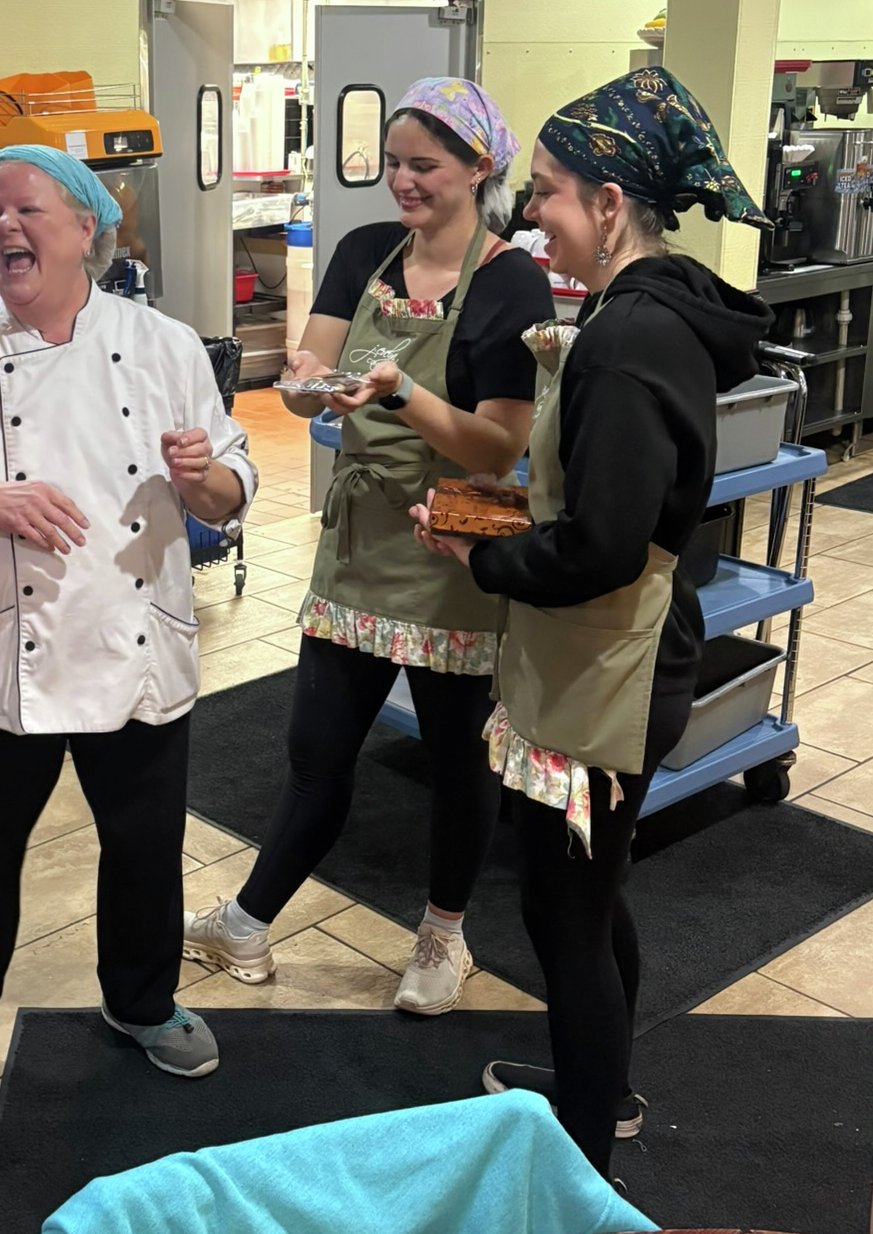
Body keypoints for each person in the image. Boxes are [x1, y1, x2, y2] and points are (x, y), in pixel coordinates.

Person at [411, 66, 773, 1178]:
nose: (533, 216)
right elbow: (614, 508)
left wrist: (484, 552)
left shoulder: (626, 339)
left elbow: (604, 546)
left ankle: (582, 1171)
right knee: (590, 892)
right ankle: (597, 1091)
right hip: (621, 649)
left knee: (565, 917)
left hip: (612, 671)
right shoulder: (640, 316)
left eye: (550, 192)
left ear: (611, 205)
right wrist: (512, 515)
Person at [0, 145, 256, 1130]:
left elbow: (231, 487)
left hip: (136, 643)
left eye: (25, 209)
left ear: (88, 227)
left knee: (145, 849)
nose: (2, 226)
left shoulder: (163, 344)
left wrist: (204, 477)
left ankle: (143, 1001)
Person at [185, 80, 550, 1013]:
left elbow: (498, 446)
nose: (402, 182)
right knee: (316, 751)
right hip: (358, 540)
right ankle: (247, 925)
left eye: (424, 165)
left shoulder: (511, 280)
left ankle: (443, 936)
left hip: (456, 544)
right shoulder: (363, 253)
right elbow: (309, 370)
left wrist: (399, 393)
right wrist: (304, 383)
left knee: (458, 762)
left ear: (479, 167)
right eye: (393, 163)